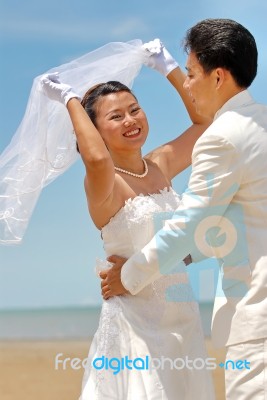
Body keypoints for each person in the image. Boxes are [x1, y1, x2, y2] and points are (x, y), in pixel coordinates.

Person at [101, 19, 267, 399]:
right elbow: (225, 230)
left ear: (219, 77)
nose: (188, 85)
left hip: (258, 320)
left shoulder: (222, 139)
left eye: (191, 74)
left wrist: (128, 277)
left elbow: (188, 227)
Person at [41, 40, 215, 399]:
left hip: (182, 319)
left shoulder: (161, 164)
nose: (130, 121)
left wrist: (168, 68)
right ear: (95, 130)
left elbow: (205, 122)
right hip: (135, 324)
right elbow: (97, 160)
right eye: (115, 116)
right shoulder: (104, 182)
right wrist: (70, 99)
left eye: (134, 110)